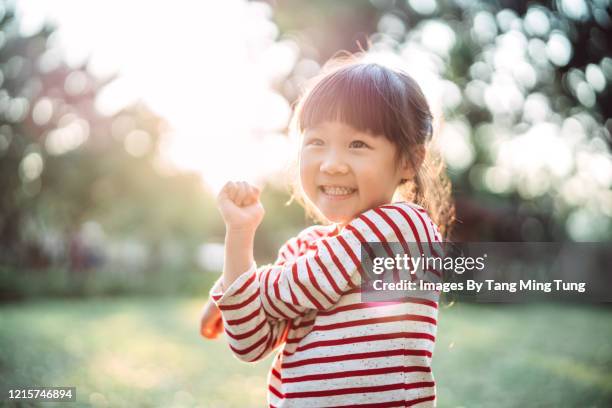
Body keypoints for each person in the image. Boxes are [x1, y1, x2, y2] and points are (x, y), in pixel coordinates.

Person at [200, 55, 454, 407]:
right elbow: (249, 343)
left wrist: (232, 292)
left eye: (358, 145)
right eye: (317, 142)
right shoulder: (301, 250)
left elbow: (308, 284)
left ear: (409, 161)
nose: (332, 164)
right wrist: (239, 237)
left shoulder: (403, 225)